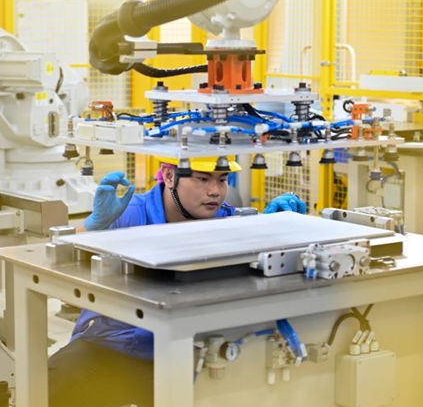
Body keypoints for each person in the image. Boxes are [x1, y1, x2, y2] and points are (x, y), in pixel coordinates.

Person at [48, 156, 306, 407]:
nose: (215, 191)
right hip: (110, 346)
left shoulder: (229, 222)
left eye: (222, 179)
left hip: (187, 353)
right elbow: (56, 257)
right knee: (53, 385)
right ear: (170, 176)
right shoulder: (130, 214)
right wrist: (94, 226)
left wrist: (278, 226)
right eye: (203, 179)